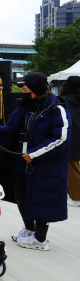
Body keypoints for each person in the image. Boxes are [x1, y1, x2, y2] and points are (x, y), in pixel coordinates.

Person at [0, 72, 70, 250]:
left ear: (37, 90)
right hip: (23, 161)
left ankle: (40, 240)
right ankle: (30, 230)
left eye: (27, 90)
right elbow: (11, 128)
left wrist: (34, 154)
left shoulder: (57, 109)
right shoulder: (24, 106)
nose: (24, 93)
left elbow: (60, 138)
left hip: (45, 164)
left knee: (41, 199)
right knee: (20, 195)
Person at [60, 76, 80, 206]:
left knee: (71, 167)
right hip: (77, 135)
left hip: (69, 136)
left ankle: (76, 196)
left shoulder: (63, 101)